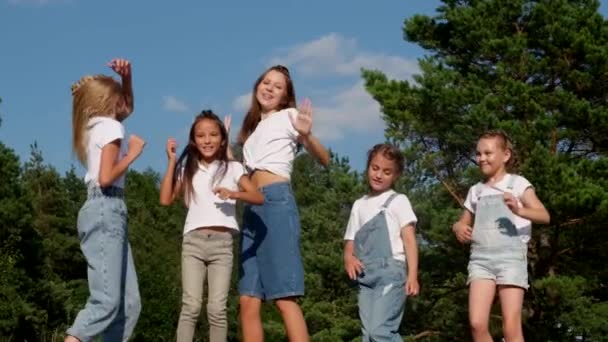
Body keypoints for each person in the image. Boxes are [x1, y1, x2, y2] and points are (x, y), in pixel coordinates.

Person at [236, 65, 330, 342]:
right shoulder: (250, 134)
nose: (269, 88)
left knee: (283, 297)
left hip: (276, 202)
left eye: (278, 87)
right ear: (257, 86)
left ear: (285, 96)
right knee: (248, 300)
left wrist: (307, 135)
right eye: (266, 82)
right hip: (252, 209)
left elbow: (324, 159)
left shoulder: (289, 116)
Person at [159, 110, 263, 342]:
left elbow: (257, 196)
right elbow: (165, 199)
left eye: (213, 134)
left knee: (217, 309)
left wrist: (233, 193)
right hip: (193, 243)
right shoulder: (188, 170)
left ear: (222, 138)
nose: (207, 140)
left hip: (222, 245)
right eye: (201, 136)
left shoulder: (233, 168)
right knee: (191, 306)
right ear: (193, 141)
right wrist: (172, 161)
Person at [66, 58, 144, 342]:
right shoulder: (110, 128)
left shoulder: (94, 125)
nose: (123, 103)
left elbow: (127, 108)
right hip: (106, 206)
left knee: (129, 304)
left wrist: (127, 79)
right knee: (106, 302)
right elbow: (106, 177)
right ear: (105, 103)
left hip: (105, 209)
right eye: (117, 97)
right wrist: (133, 154)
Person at [452, 130, 550, 342]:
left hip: (511, 258)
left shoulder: (517, 184)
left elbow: (544, 215)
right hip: (481, 260)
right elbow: (463, 221)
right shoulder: (476, 190)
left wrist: (519, 210)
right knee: (477, 324)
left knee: (510, 325)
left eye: (488, 153)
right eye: (478, 154)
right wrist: (458, 227)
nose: (481, 158)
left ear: (505, 155)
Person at [343, 143, 420, 341]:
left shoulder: (398, 200)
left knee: (380, 331)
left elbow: (410, 240)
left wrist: (412, 276)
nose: (378, 175)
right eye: (375, 168)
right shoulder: (359, 205)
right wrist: (349, 258)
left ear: (395, 176)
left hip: (391, 273)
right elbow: (350, 239)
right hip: (365, 276)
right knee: (368, 335)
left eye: (386, 172)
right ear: (368, 167)